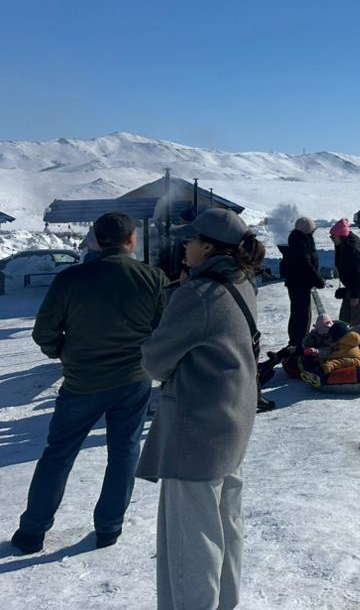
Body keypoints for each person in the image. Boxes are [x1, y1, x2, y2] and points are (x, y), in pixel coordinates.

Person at [10, 212, 166, 555]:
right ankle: (109, 528)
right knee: (124, 452)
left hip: (81, 382)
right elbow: (162, 327)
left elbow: (44, 333)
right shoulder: (151, 278)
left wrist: (64, 352)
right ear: (130, 240)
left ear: (95, 239)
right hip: (132, 380)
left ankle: (32, 532)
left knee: (58, 455)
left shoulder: (70, 279)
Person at [138, 208, 263, 610]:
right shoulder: (240, 281)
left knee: (193, 542)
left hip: (196, 433)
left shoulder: (198, 293)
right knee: (226, 527)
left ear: (208, 246)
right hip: (231, 424)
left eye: (190, 241)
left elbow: (156, 361)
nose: (184, 246)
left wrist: (176, 294)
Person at [282, 217, 325, 351]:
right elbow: (305, 265)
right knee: (301, 315)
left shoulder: (299, 239)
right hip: (299, 284)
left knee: (300, 313)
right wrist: (317, 280)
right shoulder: (299, 243)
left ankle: (298, 340)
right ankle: (298, 343)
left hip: (299, 283)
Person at [331, 218, 360, 324]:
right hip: (352, 285)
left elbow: (358, 273)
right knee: (344, 317)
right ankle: (345, 337)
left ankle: (359, 340)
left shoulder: (353, 249)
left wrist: (354, 295)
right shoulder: (341, 247)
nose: (332, 239)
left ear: (341, 236)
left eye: (333, 237)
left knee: (358, 318)